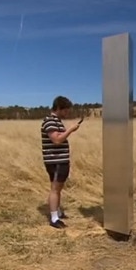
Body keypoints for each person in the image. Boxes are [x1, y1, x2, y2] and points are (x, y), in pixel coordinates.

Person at [40, 96, 82, 229]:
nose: (67, 113)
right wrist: (70, 130)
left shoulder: (56, 121)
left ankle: (57, 211)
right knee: (55, 189)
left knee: (57, 188)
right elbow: (57, 140)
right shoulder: (50, 121)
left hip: (59, 160)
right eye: (66, 110)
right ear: (58, 108)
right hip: (56, 161)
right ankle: (54, 218)